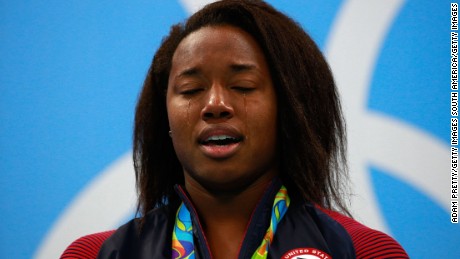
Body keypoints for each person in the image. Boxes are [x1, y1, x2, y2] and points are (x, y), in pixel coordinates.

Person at [61, 1, 409, 258]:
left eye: (242, 86)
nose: (215, 104)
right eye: (191, 90)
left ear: (289, 111)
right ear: (164, 119)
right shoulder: (95, 255)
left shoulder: (365, 251)